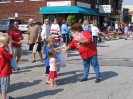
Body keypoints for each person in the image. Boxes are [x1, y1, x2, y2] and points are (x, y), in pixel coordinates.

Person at [0, 35, 15, 99]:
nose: (8, 43)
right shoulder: (3, 50)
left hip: (1, 71)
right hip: (5, 71)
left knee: (2, 85)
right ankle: (4, 98)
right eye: (8, 42)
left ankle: (5, 96)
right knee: (4, 87)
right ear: (6, 42)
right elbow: (11, 56)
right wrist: (10, 47)